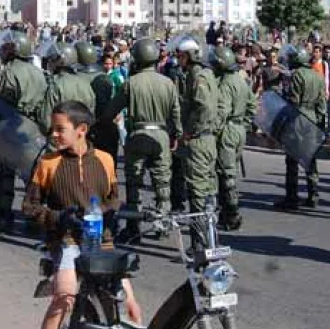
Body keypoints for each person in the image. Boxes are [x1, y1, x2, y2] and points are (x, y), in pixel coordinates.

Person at [22, 101, 141, 329]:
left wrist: (107, 212)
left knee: (130, 308)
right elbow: (29, 207)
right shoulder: (47, 164)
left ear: (81, 130)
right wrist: (59, 217)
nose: (53, 134)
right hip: (66, 241)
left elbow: (113, 198)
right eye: (52, 129)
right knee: (63, 298)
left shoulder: (105, 160)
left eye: (59, 129)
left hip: (102, 242)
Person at [104, 38, 182, 243]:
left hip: (137, 134)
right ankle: (163, 224)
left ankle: (133, 227)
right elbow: (176, 114)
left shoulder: (131, 83)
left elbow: (112, 110)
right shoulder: (167, 83)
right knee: (162, 183)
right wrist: (176, 135)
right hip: (161, 135)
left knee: (134, 184)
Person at [0, 32, 47, 234]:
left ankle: (4, 219)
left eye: (7, 48)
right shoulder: (38, 72)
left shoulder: (10, 71)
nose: (3, 51)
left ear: (15, 50)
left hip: (14, 125)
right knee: (32, 177)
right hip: (35, 129)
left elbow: (4, 102)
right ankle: (33, 219)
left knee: (6, 174)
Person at [175, 37, 219, 248]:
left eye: (181, 56)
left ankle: (200, 244)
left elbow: (203, 108)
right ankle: (209, 239)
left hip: (198, 142)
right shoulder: (207, 74)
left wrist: (189, 132)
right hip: (207, 139)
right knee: (207, 190)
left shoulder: (198, 77)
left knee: (197, 194)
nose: (179, 60)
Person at [275, 46, 326, 210]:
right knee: (310, 159)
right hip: (312, 119)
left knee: (292, 159)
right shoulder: (318, 76)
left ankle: (292, 197)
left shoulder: (296, 75)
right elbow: (322, 104)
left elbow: (294, 100)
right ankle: (313, 195)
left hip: (298, 118)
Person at [211, 45, 255, 230]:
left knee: (226, 174)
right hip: (238, 129)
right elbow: (252, 106)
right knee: (228, 171)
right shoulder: (240, 80)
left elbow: (222, 111)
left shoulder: (225, 83)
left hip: (228, 129)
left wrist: (212, 130)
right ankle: (226, 213)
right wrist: (243, 125)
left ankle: (232, 214)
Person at [38, 43, 96, 133]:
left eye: (52, 59)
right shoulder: (85, 84)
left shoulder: (55, 84)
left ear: (59, 61)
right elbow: (90, 117)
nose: (50, 62)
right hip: (79, 137)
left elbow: (45, 121)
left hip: (58, 139)